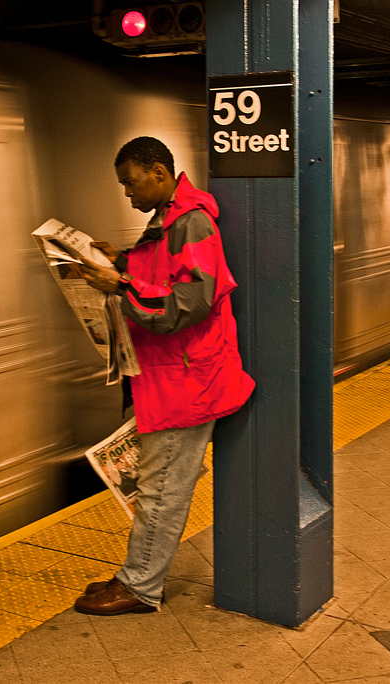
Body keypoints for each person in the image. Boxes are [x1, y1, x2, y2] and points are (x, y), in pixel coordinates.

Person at [75, 136, 254, 615]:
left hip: (188, 379)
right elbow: (164, 277)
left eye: (130, 183)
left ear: (158, 173)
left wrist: (123, 285)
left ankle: (140, 587)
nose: (127, 194)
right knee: (159, 483)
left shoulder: (192, 223)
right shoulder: (167, 221)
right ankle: (135, 574)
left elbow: (190, 301)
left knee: (162, 489)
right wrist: (120, 262)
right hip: (169, 374)